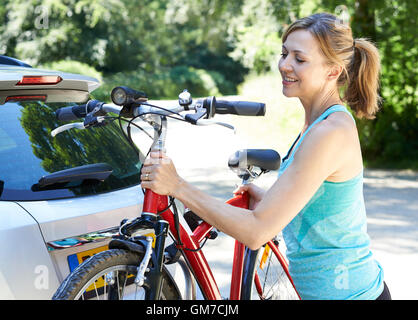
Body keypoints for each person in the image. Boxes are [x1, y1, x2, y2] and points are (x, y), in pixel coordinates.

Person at [140, 13, 391, 300]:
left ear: (332, 71)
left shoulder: (329, 132)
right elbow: (321, 200)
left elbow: (258, 231)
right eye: (284, 54)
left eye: (300, 59)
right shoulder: (317, 123)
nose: (285, 65)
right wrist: (272, 199)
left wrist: (178, 186)